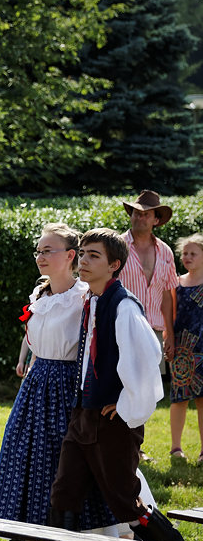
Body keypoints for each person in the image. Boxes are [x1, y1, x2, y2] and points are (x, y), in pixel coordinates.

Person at [41, 228, 198, 541]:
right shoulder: (91, 301)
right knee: (64, 493)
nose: (84, 260)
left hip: (112, 422)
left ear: (114, 265)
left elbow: (147, 360)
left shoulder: (123, 305)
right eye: (83, 254)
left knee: (124, 499)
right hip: (82, 415)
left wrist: (126, 406)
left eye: (94, 256)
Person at [0, 224, 117, 541]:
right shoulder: (40, 295)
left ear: (70, 256)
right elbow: (33, 331)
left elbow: (98, 347)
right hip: (35, 385)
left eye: (49, 250)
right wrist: (24, 356)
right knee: (24, 461)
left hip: (66, 387)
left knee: (57, 467)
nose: (41, 257)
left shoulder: (84, 298)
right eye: (39, 251)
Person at [118, 191, 177, 461]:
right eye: (136, 212)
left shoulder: (165, 251)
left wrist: (169, 334)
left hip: (151, 330)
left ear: (156, 219)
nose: (140, 217)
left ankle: (135, 447)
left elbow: (167, 294)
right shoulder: (116, 246)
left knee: (144, 390)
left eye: (146, 213)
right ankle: (118, 443)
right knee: (118, 385)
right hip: (119, 326)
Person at [168, 234, 203, 462]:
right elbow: (169, 314)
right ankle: (176, 448)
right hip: (181, 348)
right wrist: (168, 338)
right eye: (184, 253)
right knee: (179, 398)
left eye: (193, 253)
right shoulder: (176, 282)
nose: (187, 257)